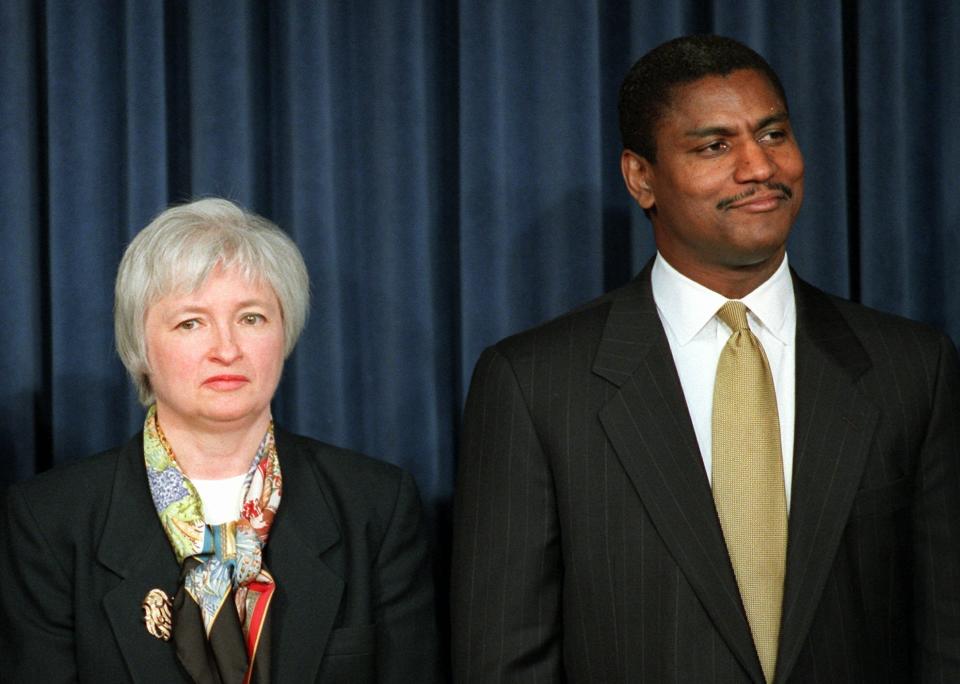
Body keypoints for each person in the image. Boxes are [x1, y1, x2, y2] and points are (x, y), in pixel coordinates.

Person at [451, 35, 960, 683]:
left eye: (773, 134)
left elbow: (946, 638)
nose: (758, 167)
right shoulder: (534, 385)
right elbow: (503, 659)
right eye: (714, 146)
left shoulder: (914, 367)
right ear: (641, 177)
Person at [0, 198, 441, 683]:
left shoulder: (375, 505)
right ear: (140, 347)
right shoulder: (49, 520)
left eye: (251, 318)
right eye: (191, 322)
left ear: (284, 332)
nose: (227, 349)